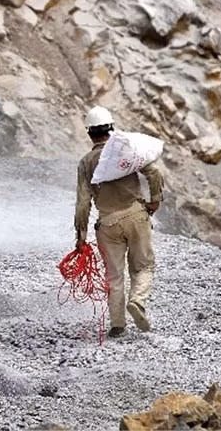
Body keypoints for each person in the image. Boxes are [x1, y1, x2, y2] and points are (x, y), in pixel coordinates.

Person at [74, 106, 165, 338]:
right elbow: (154, 174)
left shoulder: (85, 163)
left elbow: (83, 203)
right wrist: (155, 201)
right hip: (136, 215)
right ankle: (137, 301)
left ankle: (117, 325)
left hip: (107, 224)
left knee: (113, 276)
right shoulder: (125, 151)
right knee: (144, 266)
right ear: (111, 128)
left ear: (89, 133)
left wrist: (81, 238)